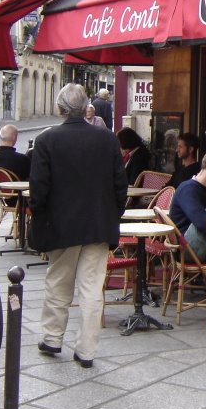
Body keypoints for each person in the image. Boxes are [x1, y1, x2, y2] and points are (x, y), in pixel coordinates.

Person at [28, 84, 127, 369]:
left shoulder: (47, 140)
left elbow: (39, 190)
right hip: (98, 225)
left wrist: (40, 217)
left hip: (61, 226)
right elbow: (120, 185)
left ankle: (52, 338)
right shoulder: (107, 139)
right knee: (92, 289)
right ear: (86, 108)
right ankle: (86, 350)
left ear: (60, 108)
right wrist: (112, 214)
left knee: (58, 284)